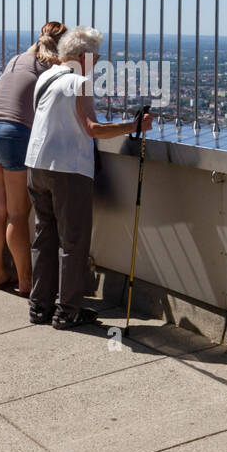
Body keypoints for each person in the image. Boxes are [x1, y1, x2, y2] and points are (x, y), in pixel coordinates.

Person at [25, 27, 152, 329]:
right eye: (96, 56)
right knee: (73, 242)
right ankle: (67, 310)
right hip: (68, 169)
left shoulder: (45, 77)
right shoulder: (79, 82)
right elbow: (92, 129)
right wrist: (134, 125)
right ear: (83, 56)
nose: (97, 61)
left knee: (44, 236)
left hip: (36, 164)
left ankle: (39, 306)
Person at [0, 21, 66, 293]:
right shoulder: (53, 68)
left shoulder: (17, 59)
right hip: (13, 133)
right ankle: (26, 281)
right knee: (17, 214)